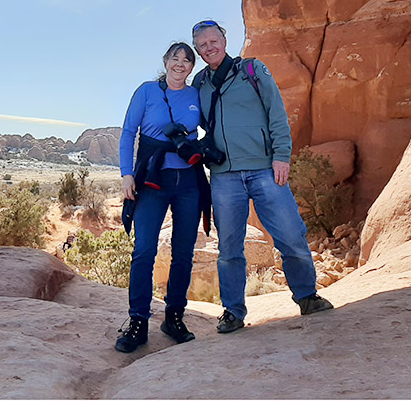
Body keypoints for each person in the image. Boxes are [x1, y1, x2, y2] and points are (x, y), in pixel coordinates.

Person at [190, 19, 333, 334]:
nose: (209, 47)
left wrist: (282, 155)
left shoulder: (252, 70)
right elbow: (194, 122)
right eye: (203, 45)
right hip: (224, 175)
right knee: (229, 248)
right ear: (199, 51)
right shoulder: (199, 84)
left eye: (213, 40)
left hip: (264, 168)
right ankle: (233, 312)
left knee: (291, 235)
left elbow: (276, 112)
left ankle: (307, 297)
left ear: (224, 41)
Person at [115, 42, 211, 353]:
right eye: (175, 58)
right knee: (144, 250)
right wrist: (126, 174)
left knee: (183, 253)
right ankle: (138, 320)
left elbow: (210, 130)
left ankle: (174, 317)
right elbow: (129, 132)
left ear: (191, 67)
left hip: (188, 182)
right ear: (165, 61)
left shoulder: (196, 95)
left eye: (186, 60)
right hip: (152, 180)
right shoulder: (147, 91)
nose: (180, 64)